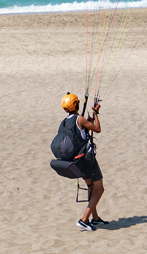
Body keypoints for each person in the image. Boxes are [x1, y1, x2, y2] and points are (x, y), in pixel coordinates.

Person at [60, 93, 108, 231]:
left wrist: (90, 118)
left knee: (91, 187)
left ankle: (96, 218)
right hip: (88, 160)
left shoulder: (65, 122)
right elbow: (97, 129)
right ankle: (84, 219)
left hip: (78, 161)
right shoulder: (79, 119)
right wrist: (96, 114)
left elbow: (82, 130)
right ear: (76, 105)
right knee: (99, 189)